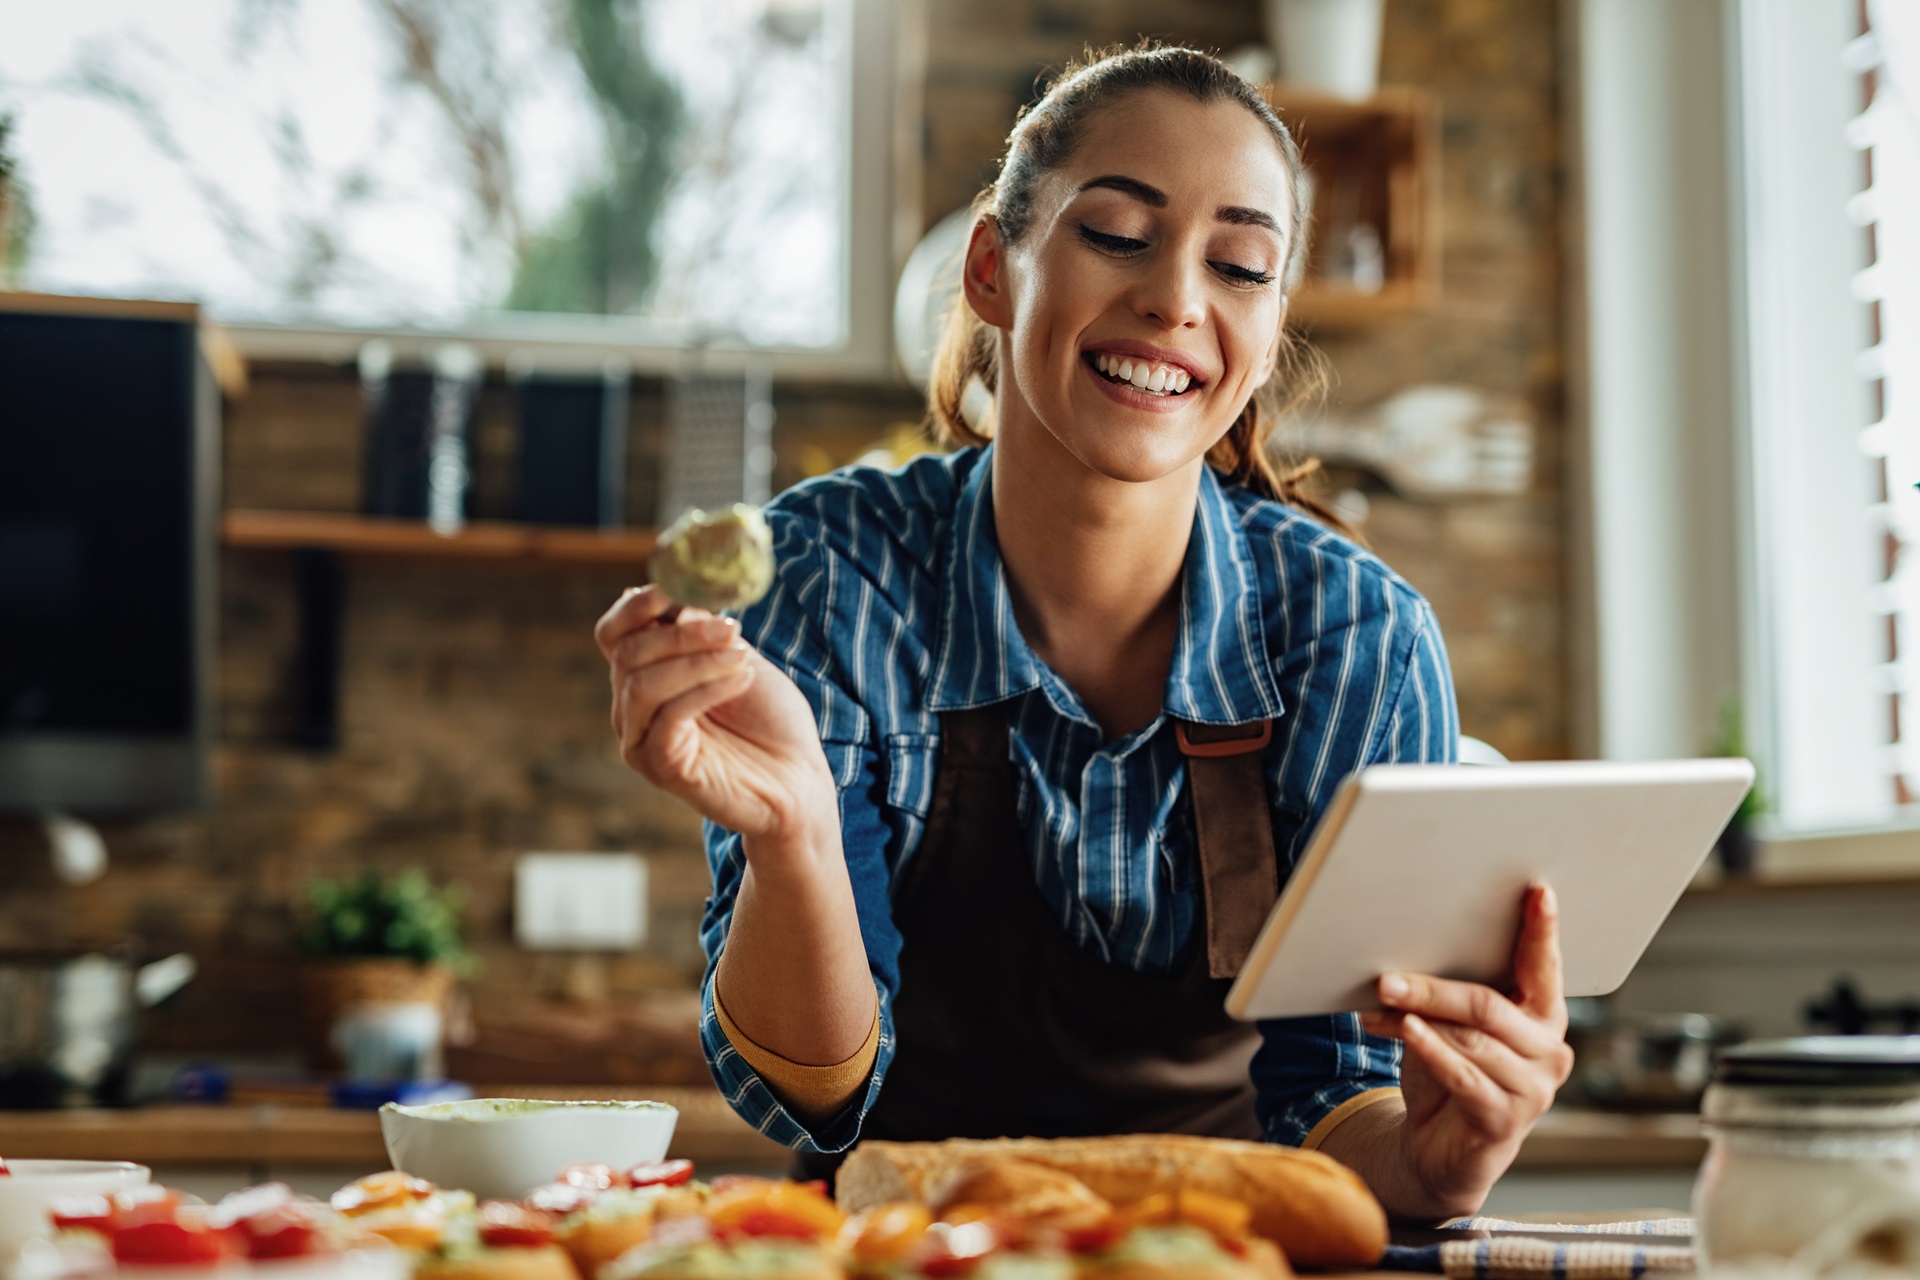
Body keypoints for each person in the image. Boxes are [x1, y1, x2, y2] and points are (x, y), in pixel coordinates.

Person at [594, 44, 1573, 1221]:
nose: (1176, 298)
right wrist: (797, 829)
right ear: (992, 268)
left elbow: (1336, 1104)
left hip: (1232, 1245)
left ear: (1268, 329)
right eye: (1117, 232)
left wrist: (1428, 1155)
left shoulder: (1355, 638)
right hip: (905, 1244)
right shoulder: (829, 574)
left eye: (1242, 264)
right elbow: (807, 1098)